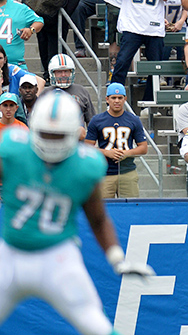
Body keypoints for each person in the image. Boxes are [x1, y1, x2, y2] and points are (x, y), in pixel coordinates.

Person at [0, 91, 155, 335]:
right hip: (8, 255)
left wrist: (116, 258)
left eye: (58, 135)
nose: (51, 141)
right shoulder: (12, 149)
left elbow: (98, 218)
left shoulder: (86, 165)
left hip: (58, 259)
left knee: (98, 327)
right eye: (45, 134)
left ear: (75, 133)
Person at [84, 82, 148, 199]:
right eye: (113, 98)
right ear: (107, 99)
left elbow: (143, 148)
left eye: (120, 98)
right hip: (104, 173)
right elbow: (86, 147)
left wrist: (126, 153)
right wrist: (106, 152)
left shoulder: (134, 120)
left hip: (127, 171)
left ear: (125, 99)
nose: (117, 101)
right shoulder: (97, 120)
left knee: (131, 209)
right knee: (104, 209)